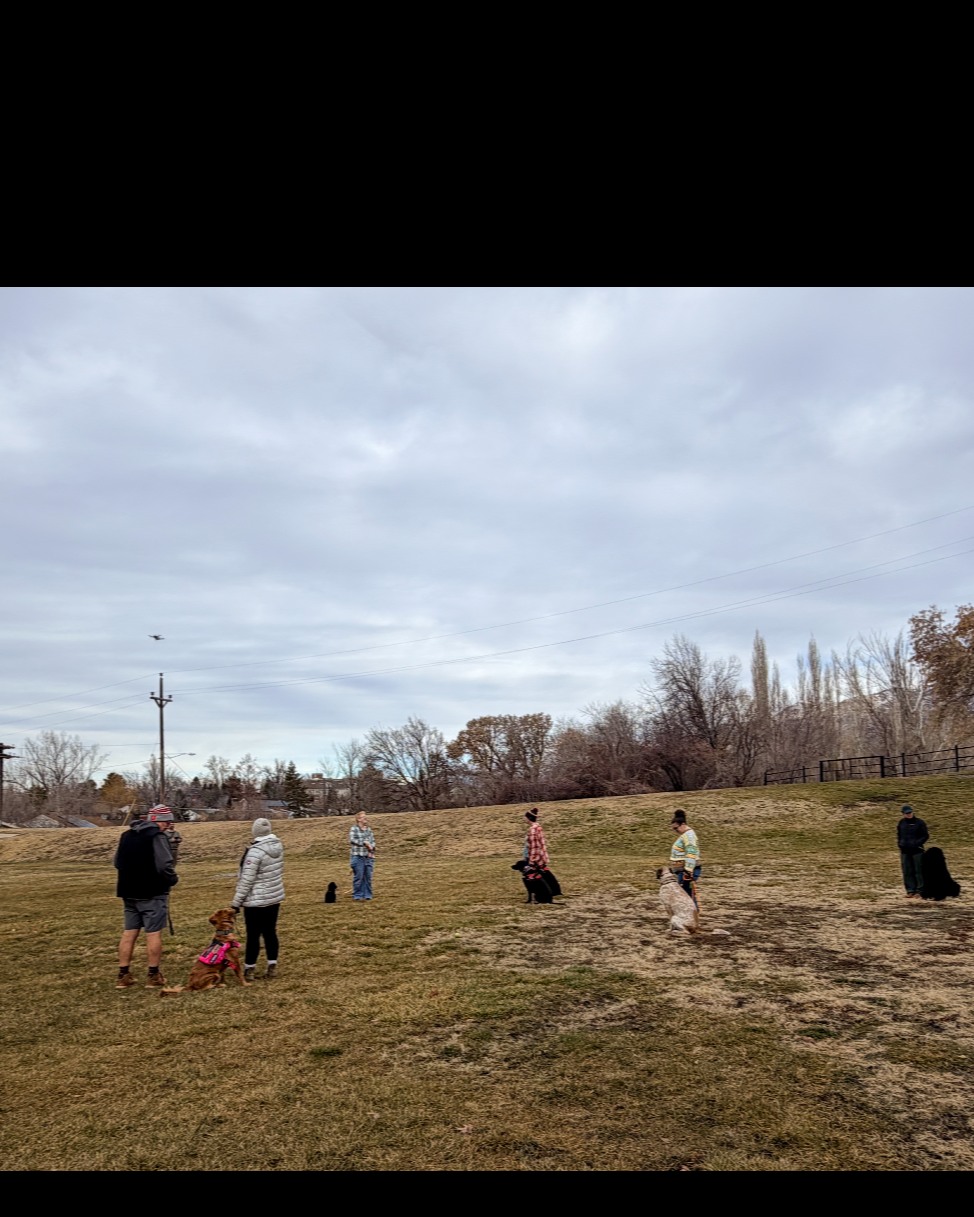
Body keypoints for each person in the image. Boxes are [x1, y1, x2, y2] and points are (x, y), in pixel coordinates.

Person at [114, 804, 179, 988]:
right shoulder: (157, 837)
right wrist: (172, 879)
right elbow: (164, 865)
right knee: (153, 933)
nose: (168, 826)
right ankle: (153, 975)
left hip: (128, 892)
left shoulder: (126, 835)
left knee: (129, 933)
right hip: (152, 892)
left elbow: (116, 862)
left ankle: (123, 975)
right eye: (167, 822)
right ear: (158, 821)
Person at [232, 817, 285, 980]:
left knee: (253, 935)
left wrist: (235, 903)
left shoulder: (254, 852)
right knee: (270, 932)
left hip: (255, 901)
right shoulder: (277, 847)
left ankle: (249, 969)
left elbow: (247, 880)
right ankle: (272, 966)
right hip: (273, 898)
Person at [669, 810, 701, 907]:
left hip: (686, 872)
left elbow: (691, 853)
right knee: (686, 895)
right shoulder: (685, 835)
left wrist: (688, 870)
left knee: (687, 897)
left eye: (676, 828)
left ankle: (692, 918)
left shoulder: (689, 836)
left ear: (682, 824)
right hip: (683, 872)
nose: (675, 831)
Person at [897, 804, 928, 899]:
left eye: (910, 812)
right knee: (907, 871)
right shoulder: (901, 823)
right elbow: (899, 834)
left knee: (918, 871)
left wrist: (917, 843)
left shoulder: (920, 823)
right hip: (905, 851)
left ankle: (920, 891)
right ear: (903, 814)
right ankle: (910, 890)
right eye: (907, 813)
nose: (909, 814)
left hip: (917, 850)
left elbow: (925, 836)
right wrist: (900, 844)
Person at [349, 811, 376, 901]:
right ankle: (358, 895)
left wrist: (371, 849)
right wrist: (364, 843)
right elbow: (353, 840)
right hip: (357, 857)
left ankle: (367, 895)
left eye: (365, 817)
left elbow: (372, 841)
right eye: (364, 817)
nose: (366, 819)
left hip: (368, 857)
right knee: (359, 877)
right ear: (359, 819)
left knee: (368, 877)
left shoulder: (369, 830)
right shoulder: (354, 829)